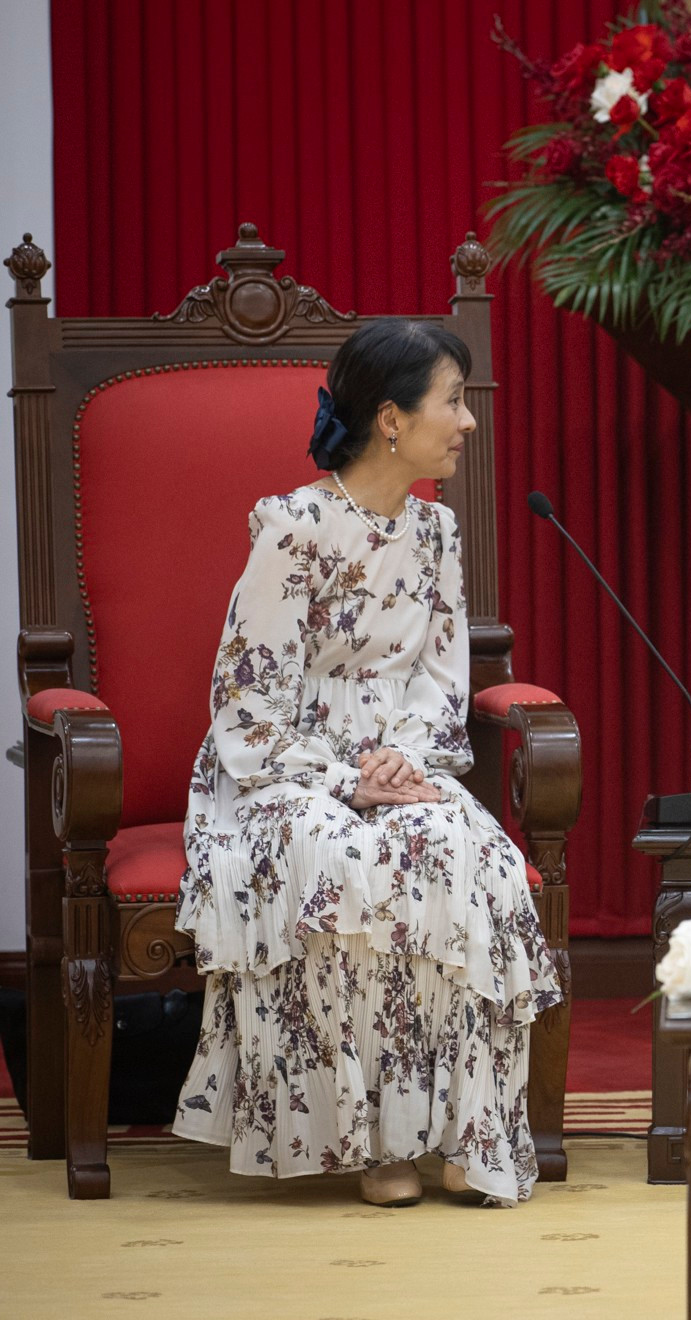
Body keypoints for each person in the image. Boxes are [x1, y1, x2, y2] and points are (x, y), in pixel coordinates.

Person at [173, 319, 561, 1206]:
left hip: (401, 765)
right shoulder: (292, 530)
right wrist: (350, 779)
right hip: (278, 771)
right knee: (346, 859)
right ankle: (375, 1146)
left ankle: (463, 1136)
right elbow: (246, 702)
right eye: (453, 403)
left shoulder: (436, 532)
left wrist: (402, 765)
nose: (468, 423)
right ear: (392, 419)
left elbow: (440, 680)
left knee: (465, 856)